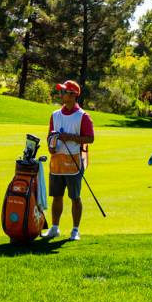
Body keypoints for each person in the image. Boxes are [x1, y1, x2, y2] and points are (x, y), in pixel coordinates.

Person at [41, 80, 94, 241]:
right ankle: (55, 228)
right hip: (57, 161)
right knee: (56, 196)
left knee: (75, 197)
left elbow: (90, 138)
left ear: (73, 95)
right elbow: (50, 136)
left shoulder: (83, 116)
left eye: (64, 91)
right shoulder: (55, 115)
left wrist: (69, 137)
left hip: (75, 162)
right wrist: (50, 146)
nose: (61, 94)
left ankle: (75, 230)